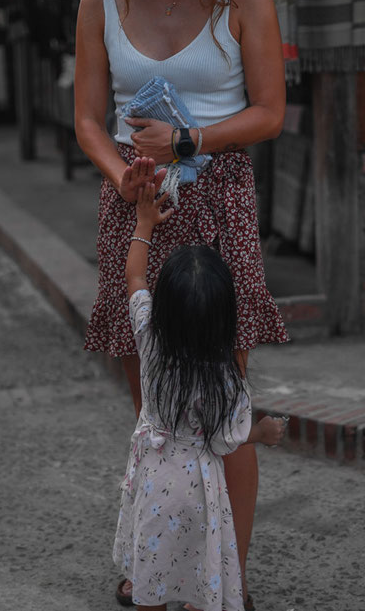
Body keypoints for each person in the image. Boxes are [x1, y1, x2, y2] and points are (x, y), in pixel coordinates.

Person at [74, 0, 289, 607]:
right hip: (137, 209)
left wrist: (190, 142)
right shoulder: (100, 0)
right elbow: (88, 119)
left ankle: (233, 578)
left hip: (218, 206)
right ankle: (158, 566)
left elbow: (269, 111)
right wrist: (125, 179)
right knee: (157, 416)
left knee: (224, 401)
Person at [115, 165, 286, 611]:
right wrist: (263, 433)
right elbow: (230, 437)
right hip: (198, 490)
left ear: (164, 306)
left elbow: (133, 277)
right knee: (196, 563)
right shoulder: (225, 377)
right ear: (226, 320)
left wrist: (144, 224)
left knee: (153, 567)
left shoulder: (149, 338)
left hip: (155, 483)